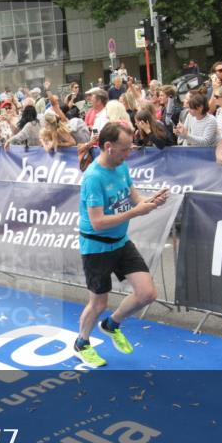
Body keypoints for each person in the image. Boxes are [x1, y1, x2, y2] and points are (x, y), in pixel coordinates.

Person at [74, 122, 169, 367]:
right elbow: (97, 222)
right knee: (99, 303)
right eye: (125, 149)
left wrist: (151, 201)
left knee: (147, 293)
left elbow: (133, 196)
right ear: (108, 147)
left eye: (130, 148)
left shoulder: (122, 166)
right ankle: (82, 343)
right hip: (96, 246)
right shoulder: (93, 178)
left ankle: (112, 324)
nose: (128, 154)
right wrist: (136, 212)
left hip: (121, 242)